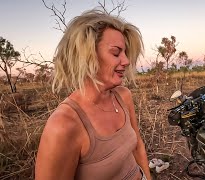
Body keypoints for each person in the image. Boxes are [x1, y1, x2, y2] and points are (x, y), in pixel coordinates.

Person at [35, 9, 151, 180]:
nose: (126, 61)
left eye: (125, 53)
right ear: (86, 56)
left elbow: (137, 146)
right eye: (116, 52)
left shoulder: (123, 96)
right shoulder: (63, 125)